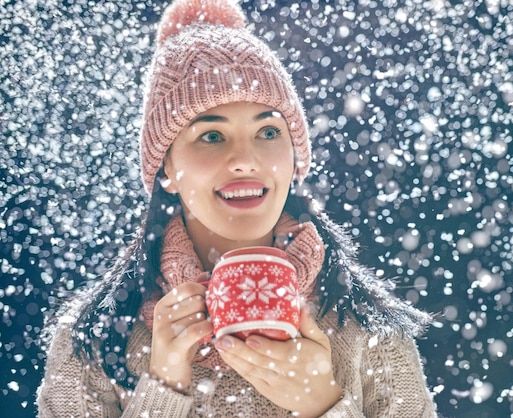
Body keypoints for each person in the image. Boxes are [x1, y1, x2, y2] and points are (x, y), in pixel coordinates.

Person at [36, 0, 437, 416]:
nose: (245, 159)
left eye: (267, 131)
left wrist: (324, 404)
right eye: (211, 136)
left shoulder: (368, 330)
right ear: (165, 168)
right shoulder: (93, 340)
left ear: (296, 159)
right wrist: (162, 389)